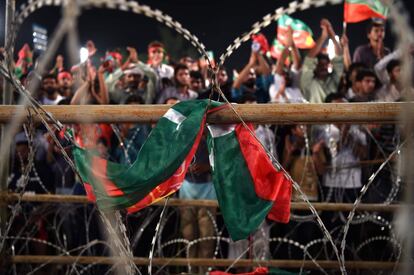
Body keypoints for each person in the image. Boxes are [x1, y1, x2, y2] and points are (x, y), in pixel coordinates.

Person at [300, 18, 344, 103]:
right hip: (315, 116)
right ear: (314, 67)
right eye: (320, 65)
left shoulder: (333, 79)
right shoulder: (308, 82)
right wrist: (323, 37)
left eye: (326, 65)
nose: (323, 67)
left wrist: (331, 34)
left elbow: (339, 58)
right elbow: (309, 59)